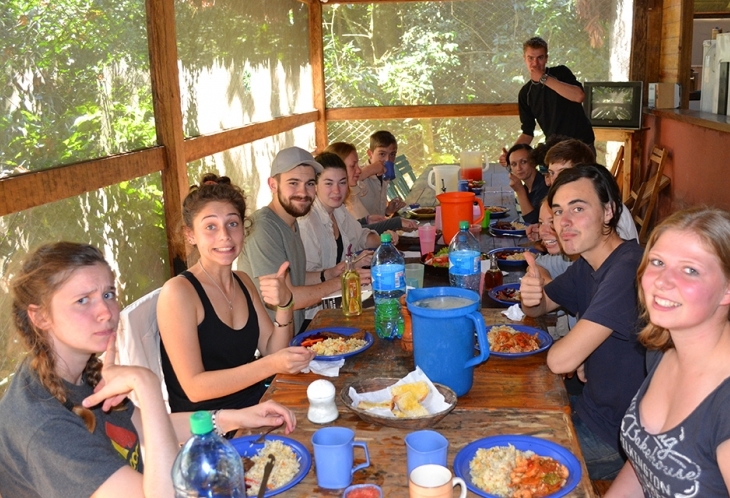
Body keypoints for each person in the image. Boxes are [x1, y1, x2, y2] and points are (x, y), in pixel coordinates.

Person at [0, 242, 296, 498]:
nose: (106, 311)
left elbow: (144, 425)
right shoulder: (43, 427)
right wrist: (146, 384)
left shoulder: (79, 371)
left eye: (107, 294)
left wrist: (236, 417)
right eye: (82, 300)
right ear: (40, 317)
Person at [520, 164, 646, 480]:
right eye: (559, 211)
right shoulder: (590, 261)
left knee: (508, 460)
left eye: (578, 208)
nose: (564, 222)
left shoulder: (627, 269)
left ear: (608, 211)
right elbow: (540, 307)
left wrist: (578, 354)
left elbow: (560, 360)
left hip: (615, 438)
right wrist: (531, 293)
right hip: (588, 407)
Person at [156, 174, 314, 413]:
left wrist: (284, 305)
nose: (225, 236)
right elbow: (194, 388)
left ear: (244, 228)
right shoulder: (179, 293)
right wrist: (270, 365)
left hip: (256, 406)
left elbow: (274, 350)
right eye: (210, 226)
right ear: (190, 235)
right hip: (209, 428)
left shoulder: (242, 281)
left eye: (232, 223)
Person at [606, 207, 730, 497]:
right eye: (658, 262)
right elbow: (645, 465)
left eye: (690, 270)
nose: (662, 281)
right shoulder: (662, 352)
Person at [240, 146, 371, 333]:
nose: (303, 192)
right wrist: (342, 282)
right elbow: (288, 297)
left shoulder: (292, 221)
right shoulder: (264, 228)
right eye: (293, 183)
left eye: (309, 183)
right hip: (270, 345)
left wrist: (329, 273)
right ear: (273, 185)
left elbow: (295, 278)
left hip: (295, 333)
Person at [298, 152, 378, 318]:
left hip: (342, 301)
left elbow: (361, 237)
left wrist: (384, 242)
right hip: (315, 314)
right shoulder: (307, 223)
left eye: (342, 183)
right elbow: (303, 279)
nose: (337, 190)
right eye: (329, 183)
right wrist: (348, 270)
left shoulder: (339, 210)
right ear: (315, 185)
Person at [499, 36, 594, 166]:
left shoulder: (560, 73)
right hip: (556, 151)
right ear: (524, 59)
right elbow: (527, 132)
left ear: (546, 58)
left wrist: (544, 79)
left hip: (582, 146)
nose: (535, 63)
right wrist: (510, 155)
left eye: (540, 58)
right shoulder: (526, 93)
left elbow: (578, 96)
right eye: (530, 58)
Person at [544, 139, 639, 242]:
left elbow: (619, 253)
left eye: (562, 173)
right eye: (552, 173)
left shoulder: (604, 207)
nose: (554, 180)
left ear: (583, 172)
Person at [324, 141, 415, 233]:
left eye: (392, 154)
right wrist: (396, 223)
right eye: (352, 166)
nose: (359, 170)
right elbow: (352, 233)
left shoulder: (346, 193)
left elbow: (352, 228)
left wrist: (374, 217)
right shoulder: (349, 190)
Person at [355, 130, 407, 217]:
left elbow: (377, 213)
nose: (388, 159)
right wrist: (369, 170)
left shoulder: (383, 176)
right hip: (361, 229)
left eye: (392, 154)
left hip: (378, 227)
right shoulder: (358, 173)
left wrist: (388, 211)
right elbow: (346, 183)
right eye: (382, 154)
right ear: (370, 154)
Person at [506, 143, 548, 225]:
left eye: (523, 162)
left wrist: (520, 191)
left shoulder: (544, 186)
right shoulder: (528, 187)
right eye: (514, 164)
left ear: (533, 162)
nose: (518, 168)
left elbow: (533, 222)